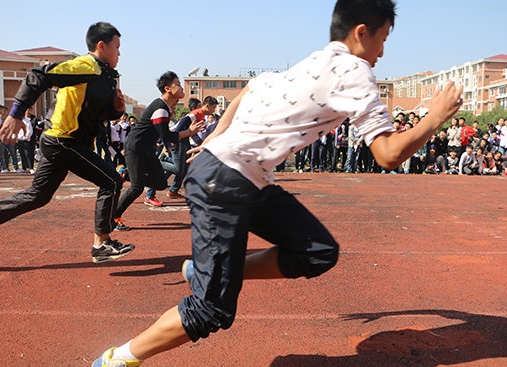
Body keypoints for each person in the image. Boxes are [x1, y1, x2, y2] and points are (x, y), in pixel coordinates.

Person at [92, 0, 463, 365]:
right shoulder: (354, 70)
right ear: (361, 33)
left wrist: (212, 142)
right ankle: (117, 359)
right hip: (226, 181)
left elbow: (251, 89)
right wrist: (434, 118)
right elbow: (387, 154)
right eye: (382, 39)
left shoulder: (312, 62)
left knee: (317, 250)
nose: (382, 52)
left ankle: (208, 272)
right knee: (211, 311)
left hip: (242, 178)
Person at [0, 22, 135, 263]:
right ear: (101, 46)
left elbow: (98, 115)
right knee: (112, 180)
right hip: (63, 139)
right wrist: (16, 114)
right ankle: (101, 244)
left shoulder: (105, 75)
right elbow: (38, 75)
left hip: (66, 141)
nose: (119, 53)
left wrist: (116, 110)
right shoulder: (86, 66)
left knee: (38, 196)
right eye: (117, 46)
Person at [112, 72, 205, 229]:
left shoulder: (166, 108)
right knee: (136, 188)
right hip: (135, 148)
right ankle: (114, 217)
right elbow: (166, 135)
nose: (182, 88)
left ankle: (125, 174)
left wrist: (185, 134)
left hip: (147, 150)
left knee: (161, 183)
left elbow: (164, 135)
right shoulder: (160, 107)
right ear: (168, 89)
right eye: (178, 84)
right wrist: (189, 132)